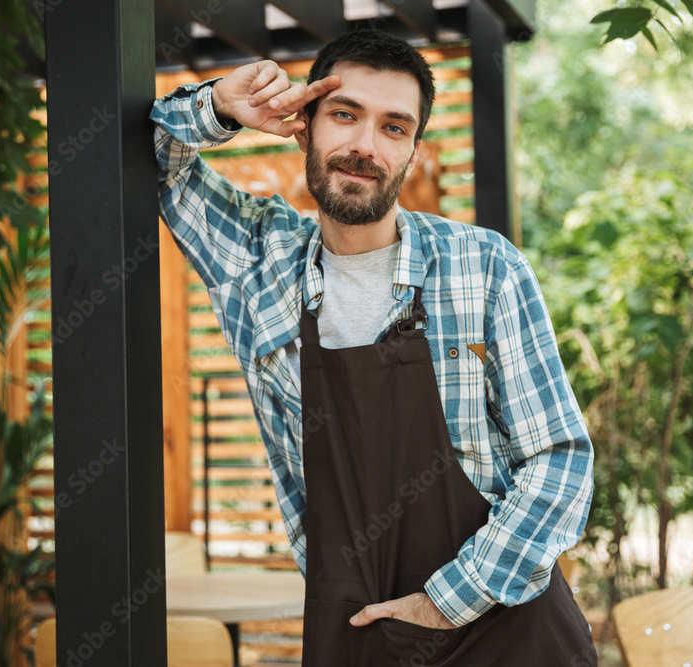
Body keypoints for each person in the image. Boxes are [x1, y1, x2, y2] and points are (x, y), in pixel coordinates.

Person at [149, 29, 597, 666]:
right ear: (302, 124)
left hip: (507, 631)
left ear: (412, 153)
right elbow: (149, 152)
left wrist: (445, 602)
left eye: (393, 127)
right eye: (344, 114)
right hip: (357, 631)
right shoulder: (256, 260)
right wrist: (221, 106)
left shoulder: (485, 266)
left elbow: (561, 462)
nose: (364, 146)